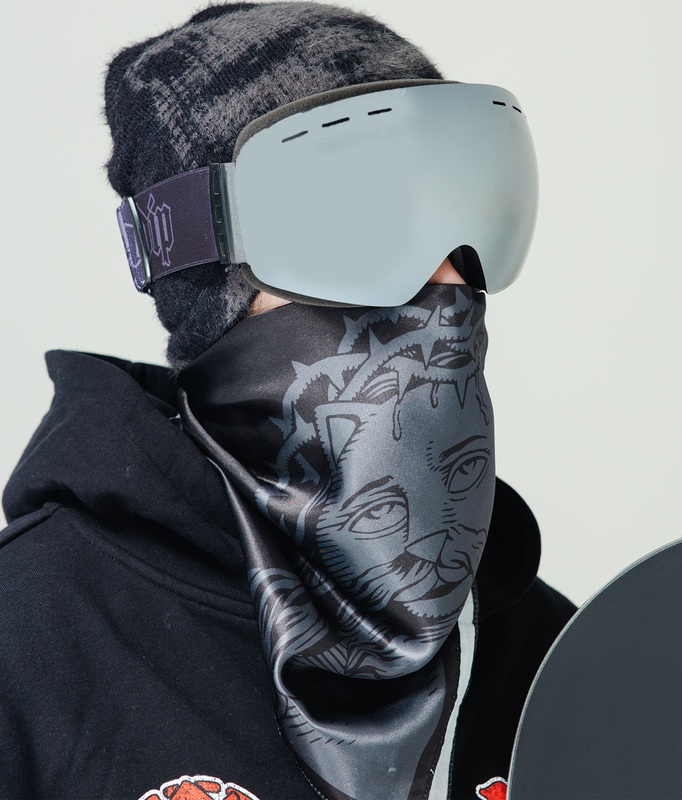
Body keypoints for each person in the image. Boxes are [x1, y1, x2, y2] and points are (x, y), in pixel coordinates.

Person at [0, 3, 575, 799]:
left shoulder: (558, 657)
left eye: (464, 214)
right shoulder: (31, 638)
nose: (446, 286)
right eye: (362, 227)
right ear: (206, 277)